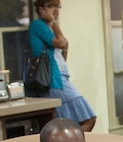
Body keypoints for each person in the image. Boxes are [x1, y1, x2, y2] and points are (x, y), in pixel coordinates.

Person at [29, 0, 97, 132]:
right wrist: (54, 23)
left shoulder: (49, 27)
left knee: (65, 125)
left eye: (57, 6)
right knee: (88, 119)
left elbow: (64, 50)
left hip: (61, 77)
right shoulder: (38, 25)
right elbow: (61, 43)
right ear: (40, 9)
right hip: (54, 80)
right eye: (50, 6)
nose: (55, 10)